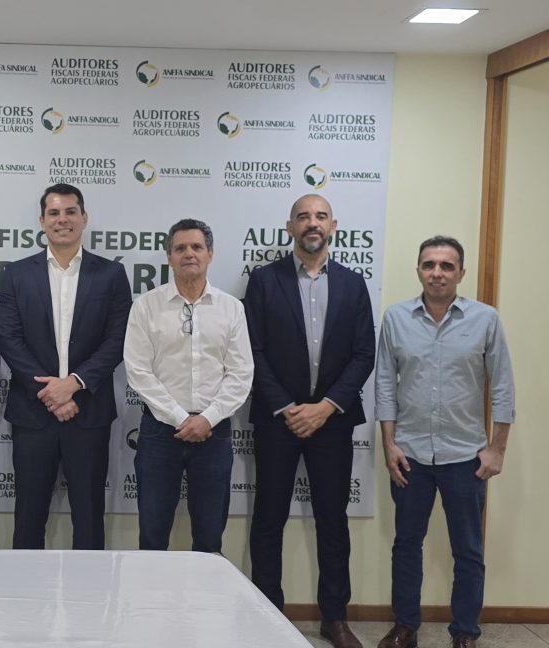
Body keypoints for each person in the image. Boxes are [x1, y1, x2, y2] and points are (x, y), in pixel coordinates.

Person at [244, 194, 374, 648]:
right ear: (290, 227)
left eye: (320, 216)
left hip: (332, 422)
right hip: (277, 421)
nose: (312, 223)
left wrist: (326, 406)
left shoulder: (353, 284)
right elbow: (252, 350)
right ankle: (268, 614)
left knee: (333, 521)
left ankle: (334, 617)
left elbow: (364, 353)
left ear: (333, 225)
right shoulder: (264, 281)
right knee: (268, 519)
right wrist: (286, 406)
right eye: (303, 217)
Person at [374, 236, 514, 648]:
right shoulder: (396, 318)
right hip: (410, 454)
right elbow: (385, 384)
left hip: (465, 456)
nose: (437, 273)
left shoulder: (485, 320)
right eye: (429, 265)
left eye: (446, 266)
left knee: (468, 551)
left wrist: (497, 449)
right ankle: (405, 627)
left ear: (461, 273)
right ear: (419, 270)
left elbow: (502, 386)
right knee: (406, 545)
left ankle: (465, 632)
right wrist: (389, 444)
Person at [0, 183, 131, 550]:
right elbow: (8, 337)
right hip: (33, 414)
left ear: (84, 218)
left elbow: (118, 338)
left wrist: (74, 383)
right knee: (28, 518)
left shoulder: (111, 274)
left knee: (89, 517)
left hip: (89, 412)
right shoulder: (17, 274)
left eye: (71, 211)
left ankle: (90, 589)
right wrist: (49, 392)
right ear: (42, 221)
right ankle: (27, 588)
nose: (63, 219)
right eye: (54, 213)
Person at [123, 219, 252, 552]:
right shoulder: (145, 306)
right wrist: (181, 418)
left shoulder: (231, 309)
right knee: (152, 536)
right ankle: (151, 592)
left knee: (209, 539)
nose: (189, 254)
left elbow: (240, 373)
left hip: (214, 433)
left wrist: (207, 418)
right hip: (159, 433)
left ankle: (205, 592)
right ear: (169, 256)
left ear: (210, 254)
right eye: (180, 248)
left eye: (197, 247)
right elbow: (138, 371)